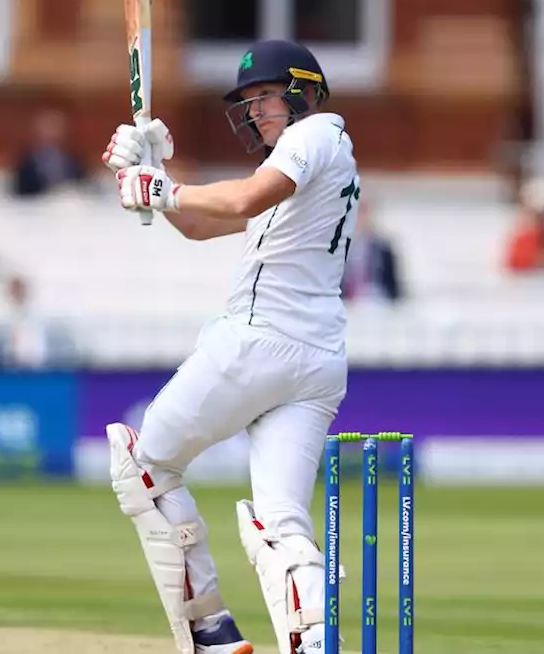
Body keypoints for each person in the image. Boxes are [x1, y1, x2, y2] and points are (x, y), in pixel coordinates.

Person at [101, 39, 357, 654]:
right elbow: (198, 223)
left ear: (301, 91)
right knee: (280, 524)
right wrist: (148, 175)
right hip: (318, 361)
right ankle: (318, 645)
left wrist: (161, 187)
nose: (253, 111)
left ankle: (211, 631)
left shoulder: (313, 136)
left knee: (143, 467)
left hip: (260, 342)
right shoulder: (320, 158)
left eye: (263, 96)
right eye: (246, 101)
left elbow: (240, 197)